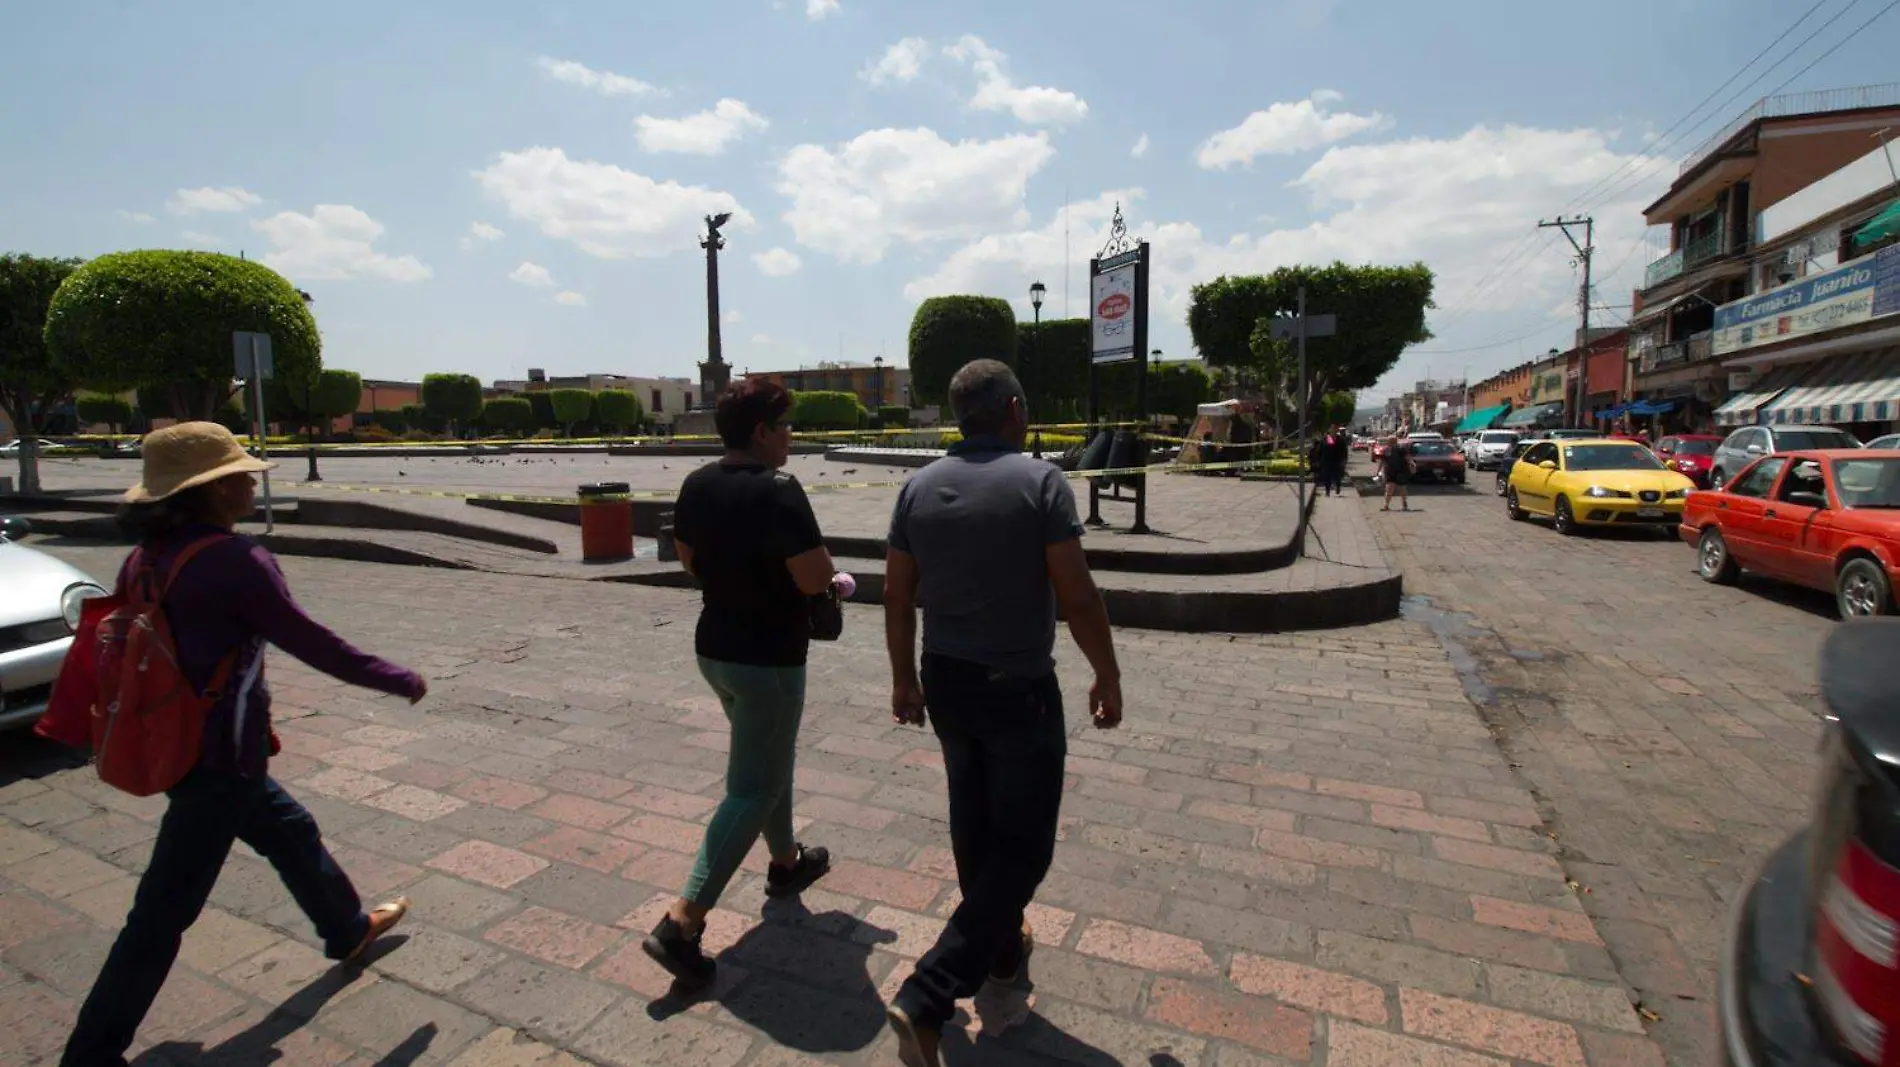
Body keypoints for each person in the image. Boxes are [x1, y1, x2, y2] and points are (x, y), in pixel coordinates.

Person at [62, 422, 426, 1067]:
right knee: (160, 914)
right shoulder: (235, 562)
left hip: (176, 742)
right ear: (212, 489)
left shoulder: (144, 557)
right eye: (238, 474)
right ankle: (91, 1051)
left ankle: (346, 930)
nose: (250, 480)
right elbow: (311, 642)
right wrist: (396, 677)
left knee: (290, 828)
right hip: (215, 761)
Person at [882, 360, 1123, 1067]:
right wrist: (1106, 671)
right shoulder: (1040, 482)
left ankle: (1003, 962)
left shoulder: (916, 486)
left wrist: (903, 678)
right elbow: (1077, 595)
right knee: (1024, 848)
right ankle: (931, 991)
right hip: (1018, 685)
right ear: (1015, 410)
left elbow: (898, 595)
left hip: (946, 681)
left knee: (975, 828)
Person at [642, 379, 835, 989]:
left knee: (767, 760)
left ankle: (784, 863)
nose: (790, 436)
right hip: (769, 660)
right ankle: (683, 921)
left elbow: (687, 555)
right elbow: (813, 577)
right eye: (784, 425)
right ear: (760, 432)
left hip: (715, 649)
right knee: (751, 787)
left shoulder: (697, 483)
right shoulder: (780, 491)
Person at [1381, 435, 1413, 512]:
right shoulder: (1386, 450)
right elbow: (1384, 462)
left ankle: (1404, 505)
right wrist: (1383, 472)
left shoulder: (1401, 449)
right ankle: (1386, 505)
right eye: (1388, 441)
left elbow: (1408, 458)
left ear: (1393, 441)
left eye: (1389, 441)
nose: (1388, 442)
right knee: (1389, 489)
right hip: (1390, 472)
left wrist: (1412, 465)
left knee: (1402, 489)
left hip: (1401, 472)